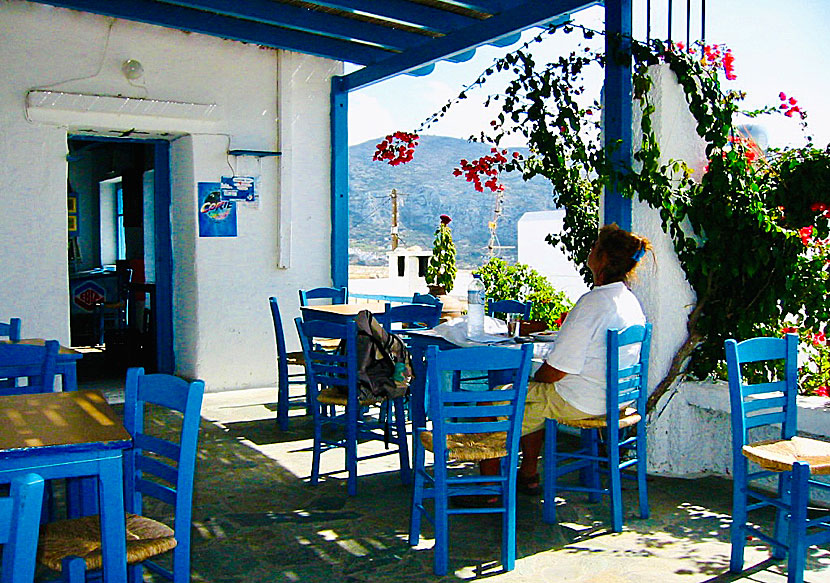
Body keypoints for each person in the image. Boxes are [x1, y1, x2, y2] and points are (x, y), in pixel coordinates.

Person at [478, 223, 652, 498]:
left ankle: (487, 490)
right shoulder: (629, 302)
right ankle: (528, 475)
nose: (591, 250)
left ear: (603, 258)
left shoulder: (594, 302)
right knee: (531, 397)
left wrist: (534, 377)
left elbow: (557, 371)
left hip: (582, 402)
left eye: (595, 247)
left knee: (493, 401)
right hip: (615, 400)